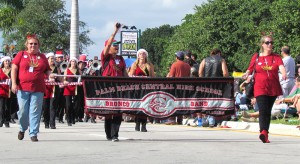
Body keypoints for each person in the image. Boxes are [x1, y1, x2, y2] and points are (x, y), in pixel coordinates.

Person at [242, 35, 287, 143]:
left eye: (271, 42)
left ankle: (265, 133)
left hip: (273, 87)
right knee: (263, 110)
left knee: (267, 111)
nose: (270, 44)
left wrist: (284, 73)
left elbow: (281, 67)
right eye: (267, 43)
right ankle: (263, 131)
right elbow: (250, 69)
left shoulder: (276, 57)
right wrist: (246, 74)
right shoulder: (256, 57)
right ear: (262, 44)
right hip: (260, 87)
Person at [11, 34, 52, 142]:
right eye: (31, 44)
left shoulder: (42, 57)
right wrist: (14, 83)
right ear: (27, 45)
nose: (33, 45)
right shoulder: (21, 54)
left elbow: (47, 69)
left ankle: (33, 133)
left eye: (35, 44)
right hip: (23, 87)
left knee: (35, 111)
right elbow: (14, 69)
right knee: (23, 111)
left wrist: (50, 75)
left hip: (38, 88)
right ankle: (22, 128)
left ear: (38, 45)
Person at [101, 22, 127, 142]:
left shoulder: (121, 59)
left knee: (118, 112)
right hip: (108, 88)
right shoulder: (105, 57)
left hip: (120, 88)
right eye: (114, 45)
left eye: (117, 45)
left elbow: (125, 74)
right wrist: (115, 31)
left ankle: (115, 134)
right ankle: (108, 134)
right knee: (109, 111)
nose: (116, 47)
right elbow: (107, 47)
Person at [129, 48, 155, 132]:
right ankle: (137, 123)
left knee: (145, 106)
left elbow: (152, 77)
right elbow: (130, 75)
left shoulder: (149, 65)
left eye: (143, 54)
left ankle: (144, 125)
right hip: (137, 88)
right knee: (138, 106)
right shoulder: (134, 65)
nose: (142, 55)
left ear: (146, 55)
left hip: (146, 88)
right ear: (138, 56)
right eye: (140, 54)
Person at [42, 52, 61, 129]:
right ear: (47, 60)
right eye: (51, 58)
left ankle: (52, 124)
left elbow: (61, 78)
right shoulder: (43, 69)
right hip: (45, 90)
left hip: (54, 90)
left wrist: (62, 80)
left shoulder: (57, 68)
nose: (52, 60)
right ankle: (46, 123)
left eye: (53, 58)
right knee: (45, 107)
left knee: (52, 107)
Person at [63, 57, 80, 126]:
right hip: (68, 89)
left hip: (76, 89)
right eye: (72, 61)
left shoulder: (78, 71)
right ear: (70, 62)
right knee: (68, 105)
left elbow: (80, 79)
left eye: (74, 61)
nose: (73, 63)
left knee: (75, 105)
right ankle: (68, 119)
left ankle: (73, 118)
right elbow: (63, 79)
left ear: (76, 63)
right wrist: (65, 81)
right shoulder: (67, 70)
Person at [0, 56, 12, 128]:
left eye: (8, 61)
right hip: (1, 91)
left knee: (8, 107)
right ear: (3, 63)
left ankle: (7, 121)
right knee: (1, 107)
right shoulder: (0, 70)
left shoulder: (12, 70)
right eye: (5, 61)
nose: (7, 62)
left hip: (9, 90)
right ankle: (1, 120)